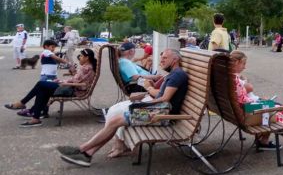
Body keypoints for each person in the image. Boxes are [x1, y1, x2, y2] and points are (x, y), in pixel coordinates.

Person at [57, 49, 188, 166]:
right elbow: (161, 96)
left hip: (161, 115)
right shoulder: (174, 74)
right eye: (161, 57)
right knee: (115, 121)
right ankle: (87, 153)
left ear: (175, 59)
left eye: (165, 58)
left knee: (115, 121)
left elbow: (165, 98)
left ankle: (81, 150)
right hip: (157, 112)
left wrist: (143, 102)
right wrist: (144, 95)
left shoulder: (177, 75)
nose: (161, 60)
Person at [228, 51, 283, 155]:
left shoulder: (228, 77)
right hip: (250, 116)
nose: (245, 67)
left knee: (278, 107)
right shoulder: (235, 80)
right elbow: (244, 101)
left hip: (239, 113)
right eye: (243, 64)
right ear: (237, 62)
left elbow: (241, 99)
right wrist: (261, 102)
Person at [7, 48, 98, 127]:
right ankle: (35, 117)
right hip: (70, 87)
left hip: (72, 90)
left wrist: (62, 82)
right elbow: (77, 79)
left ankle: (23, 104)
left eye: (81, 56)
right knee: (42, 89)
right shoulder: (87, 67)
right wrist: (64, 79)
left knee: (40, 84)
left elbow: (81, 83)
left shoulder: (86, 68)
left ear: (87, 58)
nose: (79, 58)